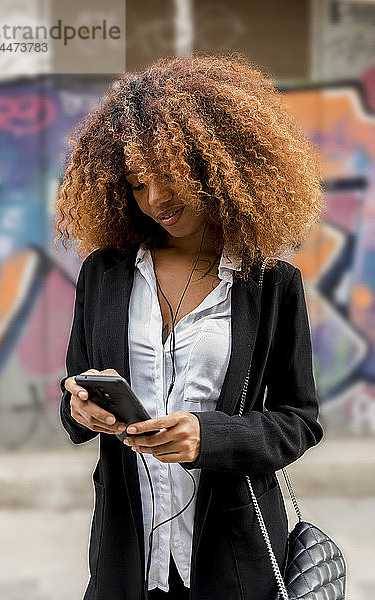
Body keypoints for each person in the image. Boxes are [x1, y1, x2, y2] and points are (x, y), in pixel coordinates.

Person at [55, 52, 325, 600]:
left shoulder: (270, 284)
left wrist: (210, 436)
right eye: (135, 184)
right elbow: (73, 407)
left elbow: (299, 421)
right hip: (127, 563)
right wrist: (79, 407)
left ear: (215, 160)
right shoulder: (104, 275)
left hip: (235, 558)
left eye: (168, 174)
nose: (155, 200)